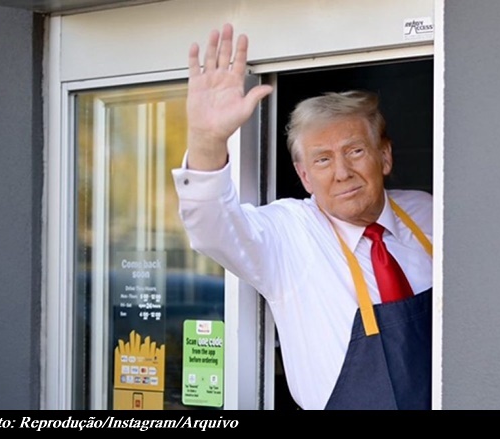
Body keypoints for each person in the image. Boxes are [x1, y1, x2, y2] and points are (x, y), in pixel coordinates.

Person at [172, 23, 433, 410]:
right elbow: (212, 227)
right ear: (305, 176)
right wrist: (207, 141)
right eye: (323, 160)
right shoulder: (289, 233)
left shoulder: (427, 213)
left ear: (385, 156)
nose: (342, 172)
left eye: (355, 151)